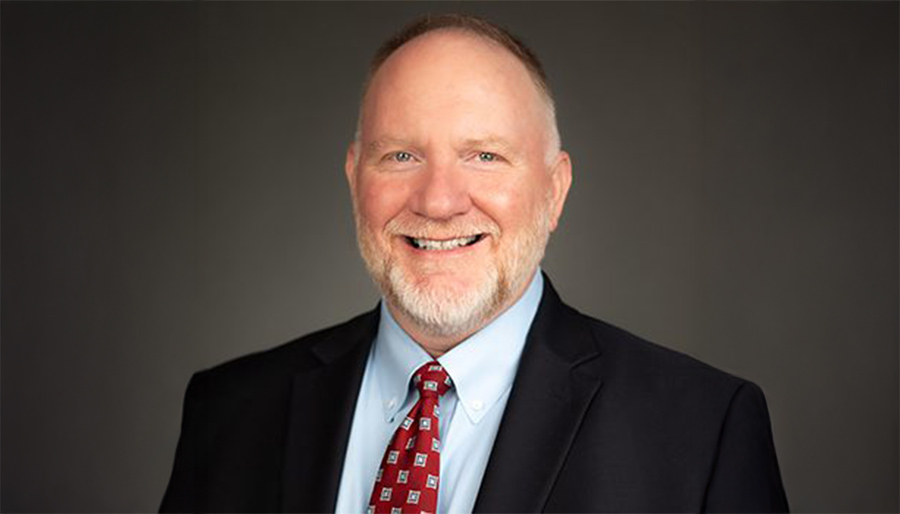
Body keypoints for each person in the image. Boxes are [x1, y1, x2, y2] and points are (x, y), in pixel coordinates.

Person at [160, 13, 789, 513]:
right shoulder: (230, 412)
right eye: (401, 156)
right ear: (355, 178)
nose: (438, 201)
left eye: (485, 156)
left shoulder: (701, 432)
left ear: (554, 191)